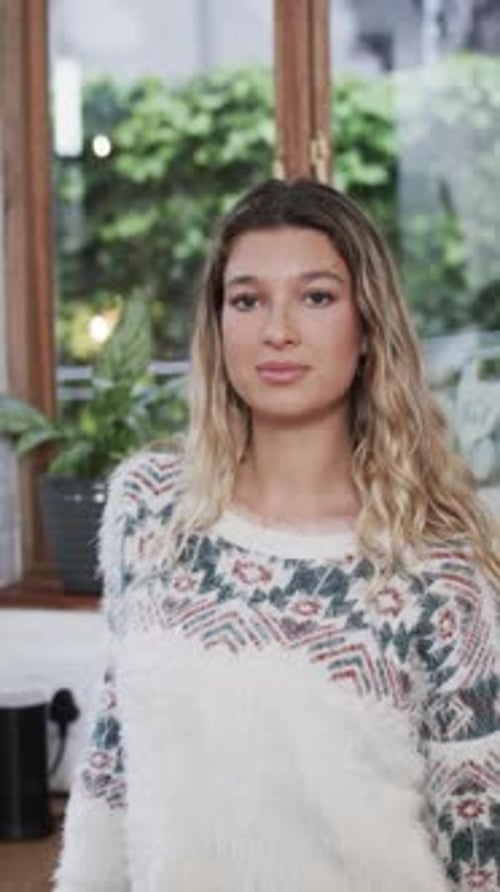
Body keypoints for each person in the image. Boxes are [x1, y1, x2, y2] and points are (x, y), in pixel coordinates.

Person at [54, 179, 500, 892]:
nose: (278, 330)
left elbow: (480, 850)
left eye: (316, 297)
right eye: (247, 300)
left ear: (367, 328)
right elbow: (114, 759)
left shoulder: (436, 568)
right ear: (218, 325)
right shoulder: (150, 508)